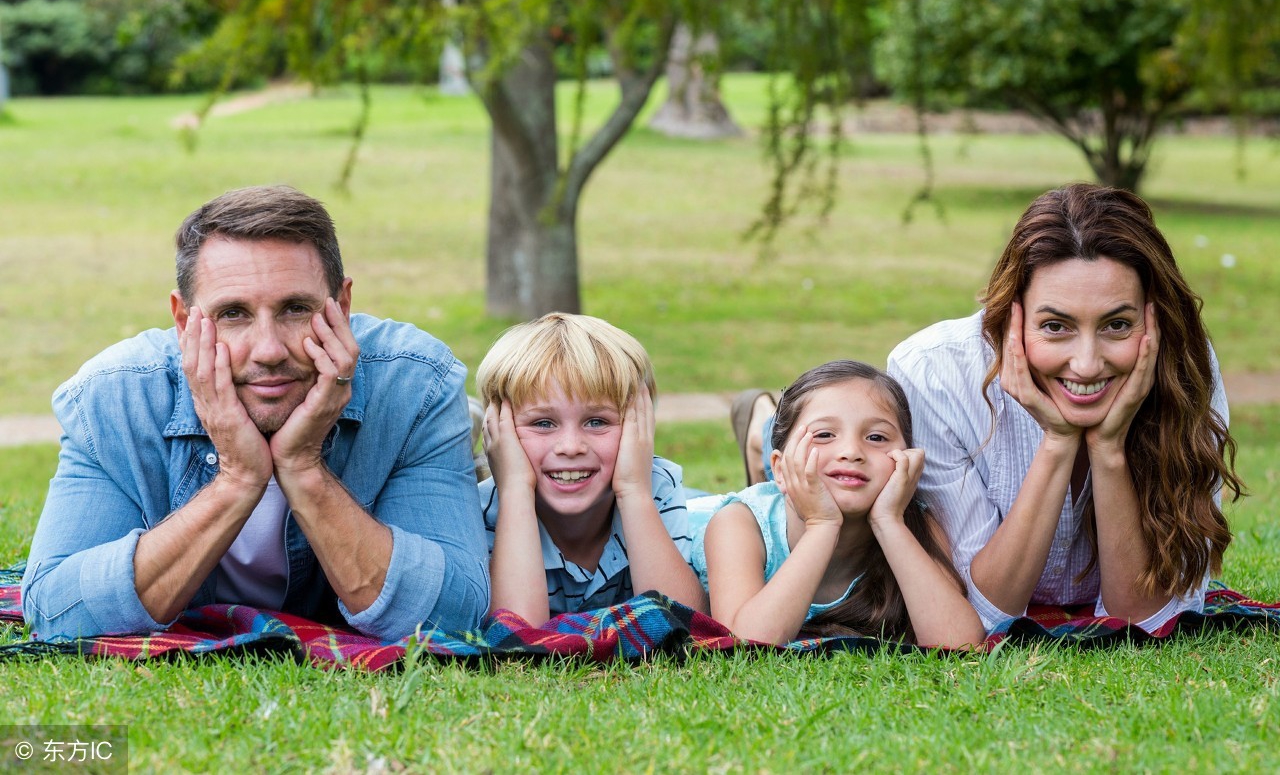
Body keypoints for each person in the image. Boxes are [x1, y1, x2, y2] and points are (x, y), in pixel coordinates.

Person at [21, 186, 489, 641]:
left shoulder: (417, 388)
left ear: (342, 307)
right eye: (233, 314)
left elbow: (453, 615)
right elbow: (56, 611)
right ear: (184, 322)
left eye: (295, 309)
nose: (267, 351)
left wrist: (303, 466)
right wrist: (238, 478)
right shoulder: (112, 399)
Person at [887, 183, 1243, 634]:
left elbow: (1146, 621)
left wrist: (1109, 449)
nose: (1087, 363)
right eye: (1056, 326)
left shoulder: (1181, 364)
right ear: (1010, 315)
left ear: (1153, 316)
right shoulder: (932, 372)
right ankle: (767, 421)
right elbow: (984, 612)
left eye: (1117, 324)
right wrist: (1057, 442)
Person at [693, 360, 985, 647]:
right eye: (824, 434)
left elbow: (960, 643)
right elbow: (745, 644)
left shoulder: (913, 523)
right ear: (780, 469)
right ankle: (760, 428)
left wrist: (889, 523)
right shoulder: (739, 522)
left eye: (876, 437)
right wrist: (822, 525)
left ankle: (764, 429)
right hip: (693, 512)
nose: (851, 451)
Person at [476, 313, 708, 625]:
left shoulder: (652, 486)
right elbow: (516, 633)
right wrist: (515, 489)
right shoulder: (484, 511)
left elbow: (685, 625)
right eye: (543, 423)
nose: (570, 446)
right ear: (498, 430)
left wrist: (633, 491)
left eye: (596, 421)